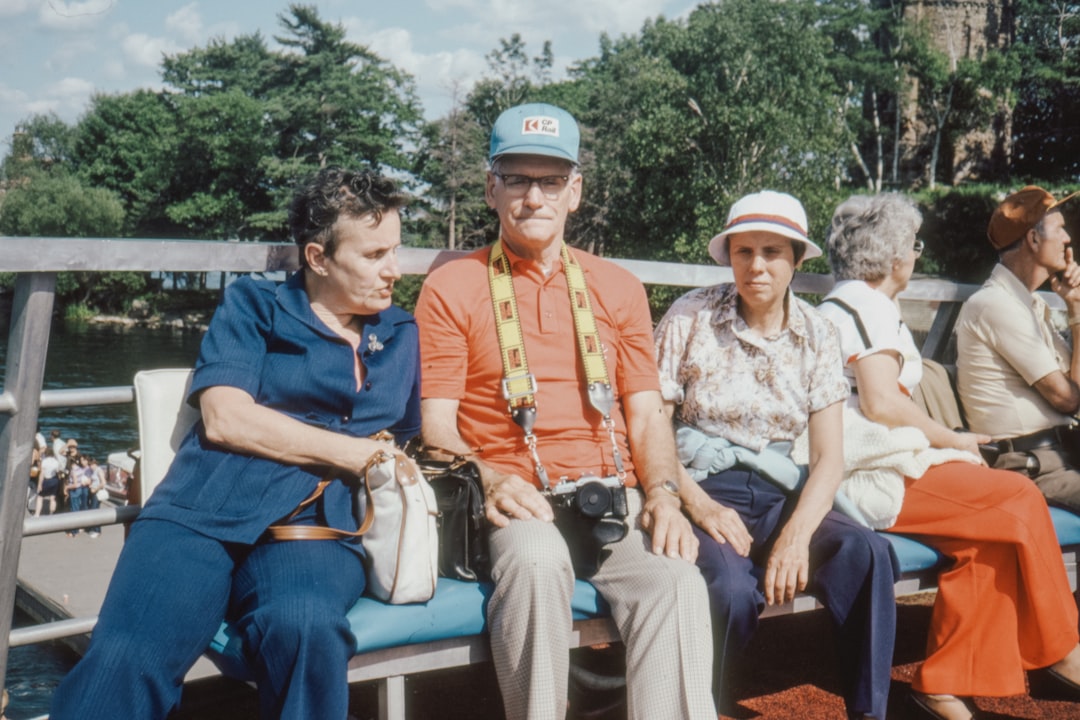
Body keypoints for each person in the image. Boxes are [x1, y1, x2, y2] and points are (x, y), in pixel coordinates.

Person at [51, 167, 422, 720]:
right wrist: (355, 452)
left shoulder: (399, 334)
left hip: (315, 528)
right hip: (201, 507)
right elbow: (226, 419)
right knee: (126, 658)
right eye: (374, 256)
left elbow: (412, 437)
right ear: (318, 258)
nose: (394, 271)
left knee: (306, 628)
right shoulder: (254, 306)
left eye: (395, 250)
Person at [414, 103, 716, 720]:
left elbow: (648, 413)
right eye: (517, 178)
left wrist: (662, 495)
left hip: (608, 498)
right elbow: (436, 426)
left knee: (679, 581)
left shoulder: (618, 286)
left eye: (550, 180)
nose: (534, 196)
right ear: (490, 187)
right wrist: (491, 478)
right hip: (513, 503)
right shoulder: (452, 285)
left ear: (574, 192)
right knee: (535, 556)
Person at [819, 192, 1080, 720]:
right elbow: (880, 401)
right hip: (873, 472)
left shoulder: (860, 303)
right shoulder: (862, 304)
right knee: (1017, 499)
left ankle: (941, 683)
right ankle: (1065, 652)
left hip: (890, 461)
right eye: (914, 246)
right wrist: (950, 437)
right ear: (893, 255)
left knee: (990, 544)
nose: (916, 255)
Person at [653, 190, 897, 720]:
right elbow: (653, 429)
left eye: (772, 252)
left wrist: (795, 538)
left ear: (797, 259)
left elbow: (829, 458)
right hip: (703, 488)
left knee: (866, 553)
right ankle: (702, 707)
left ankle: (868, 713)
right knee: (729, 590)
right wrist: (698, 506)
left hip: (780, 491)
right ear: (729, 257)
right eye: (744, 252)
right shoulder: (689, 317)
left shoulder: (818, 332)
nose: (756, 266)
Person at [955, 186, 1080, 512]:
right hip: (1032, 466)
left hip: (1060, 456)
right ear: (1033, 239)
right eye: (1060, 229)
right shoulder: (995, 304)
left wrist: (1075, 308)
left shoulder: (1030, 304)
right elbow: (1068, 399)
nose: (1068, 239)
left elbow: (1075, 390)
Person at [35, 445, 60, 517]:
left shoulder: (44, 461)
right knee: (52, 498)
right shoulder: (56, 461)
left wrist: (39, 484)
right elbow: (58, 472)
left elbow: (42, 474)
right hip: (54, 480)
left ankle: (37, 514)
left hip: (46, 480)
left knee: (40, 497)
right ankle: (51, 514)